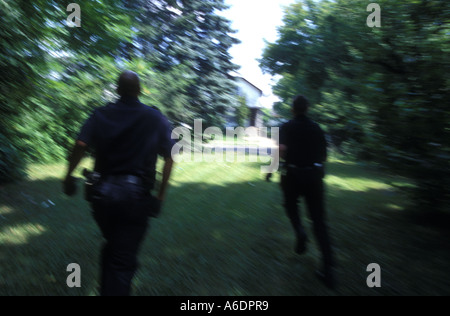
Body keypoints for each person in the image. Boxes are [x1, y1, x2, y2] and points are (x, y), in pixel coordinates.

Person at [63, 70, 174, 296]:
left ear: (117, 90)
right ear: (140, 90)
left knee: (113, 248)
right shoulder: (155, 118)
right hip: (135, 199)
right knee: (122, 262)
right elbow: (170, 157)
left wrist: (68, 175)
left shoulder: (101, 114)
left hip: (101, 198)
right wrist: (160, 197)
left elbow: (81, 144)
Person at [279, 95, 335, 288]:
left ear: (293, 109)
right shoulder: (317, 128)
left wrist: (272, 169)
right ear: (307, 108)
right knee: (319, 222)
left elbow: (281, 149)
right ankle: (328, 269)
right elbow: (325, 155)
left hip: (292, 174)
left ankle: (300, 231)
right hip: (313, 176)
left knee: (290, 205)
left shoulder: (286, 126)